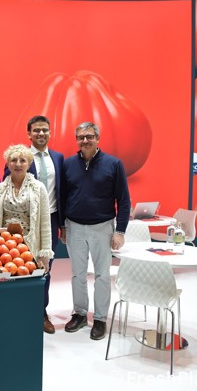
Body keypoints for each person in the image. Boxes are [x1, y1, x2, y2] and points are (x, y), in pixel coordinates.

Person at [60, 122, 131, 341]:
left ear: (97, 138)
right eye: (81, 137)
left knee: (102, 275)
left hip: (103, 228)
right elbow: (62, 197)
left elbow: (124, 200)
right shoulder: (68, 164)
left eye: (89, 136)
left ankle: (100, 319)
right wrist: (62, 226)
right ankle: (80, 314)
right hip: (74, 227)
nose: (85, 141)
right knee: (78, 274)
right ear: (77, 140)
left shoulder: (113, 164)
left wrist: (120, 231)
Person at [6, 116, 64, 334]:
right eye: (37, 130)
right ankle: (17, 311)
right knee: (17, 267)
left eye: (45, 130)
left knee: (45, 267)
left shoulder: (58, 158)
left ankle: (41, 312)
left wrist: (63, 225)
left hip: (51, 219)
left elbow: (62, 191)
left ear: (50, 133)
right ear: (29, 133)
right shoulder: (19, 158)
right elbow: (7, 189)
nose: (41, 134)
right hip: (23, 223)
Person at [0, 145, 53, 274]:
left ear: (29, 164)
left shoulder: (39, 188)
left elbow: (45, 223)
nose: (18, 164)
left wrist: (45, 254)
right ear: (8, 164)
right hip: (4, 246)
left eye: (22, 160)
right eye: (13, 160)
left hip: (30, 245)